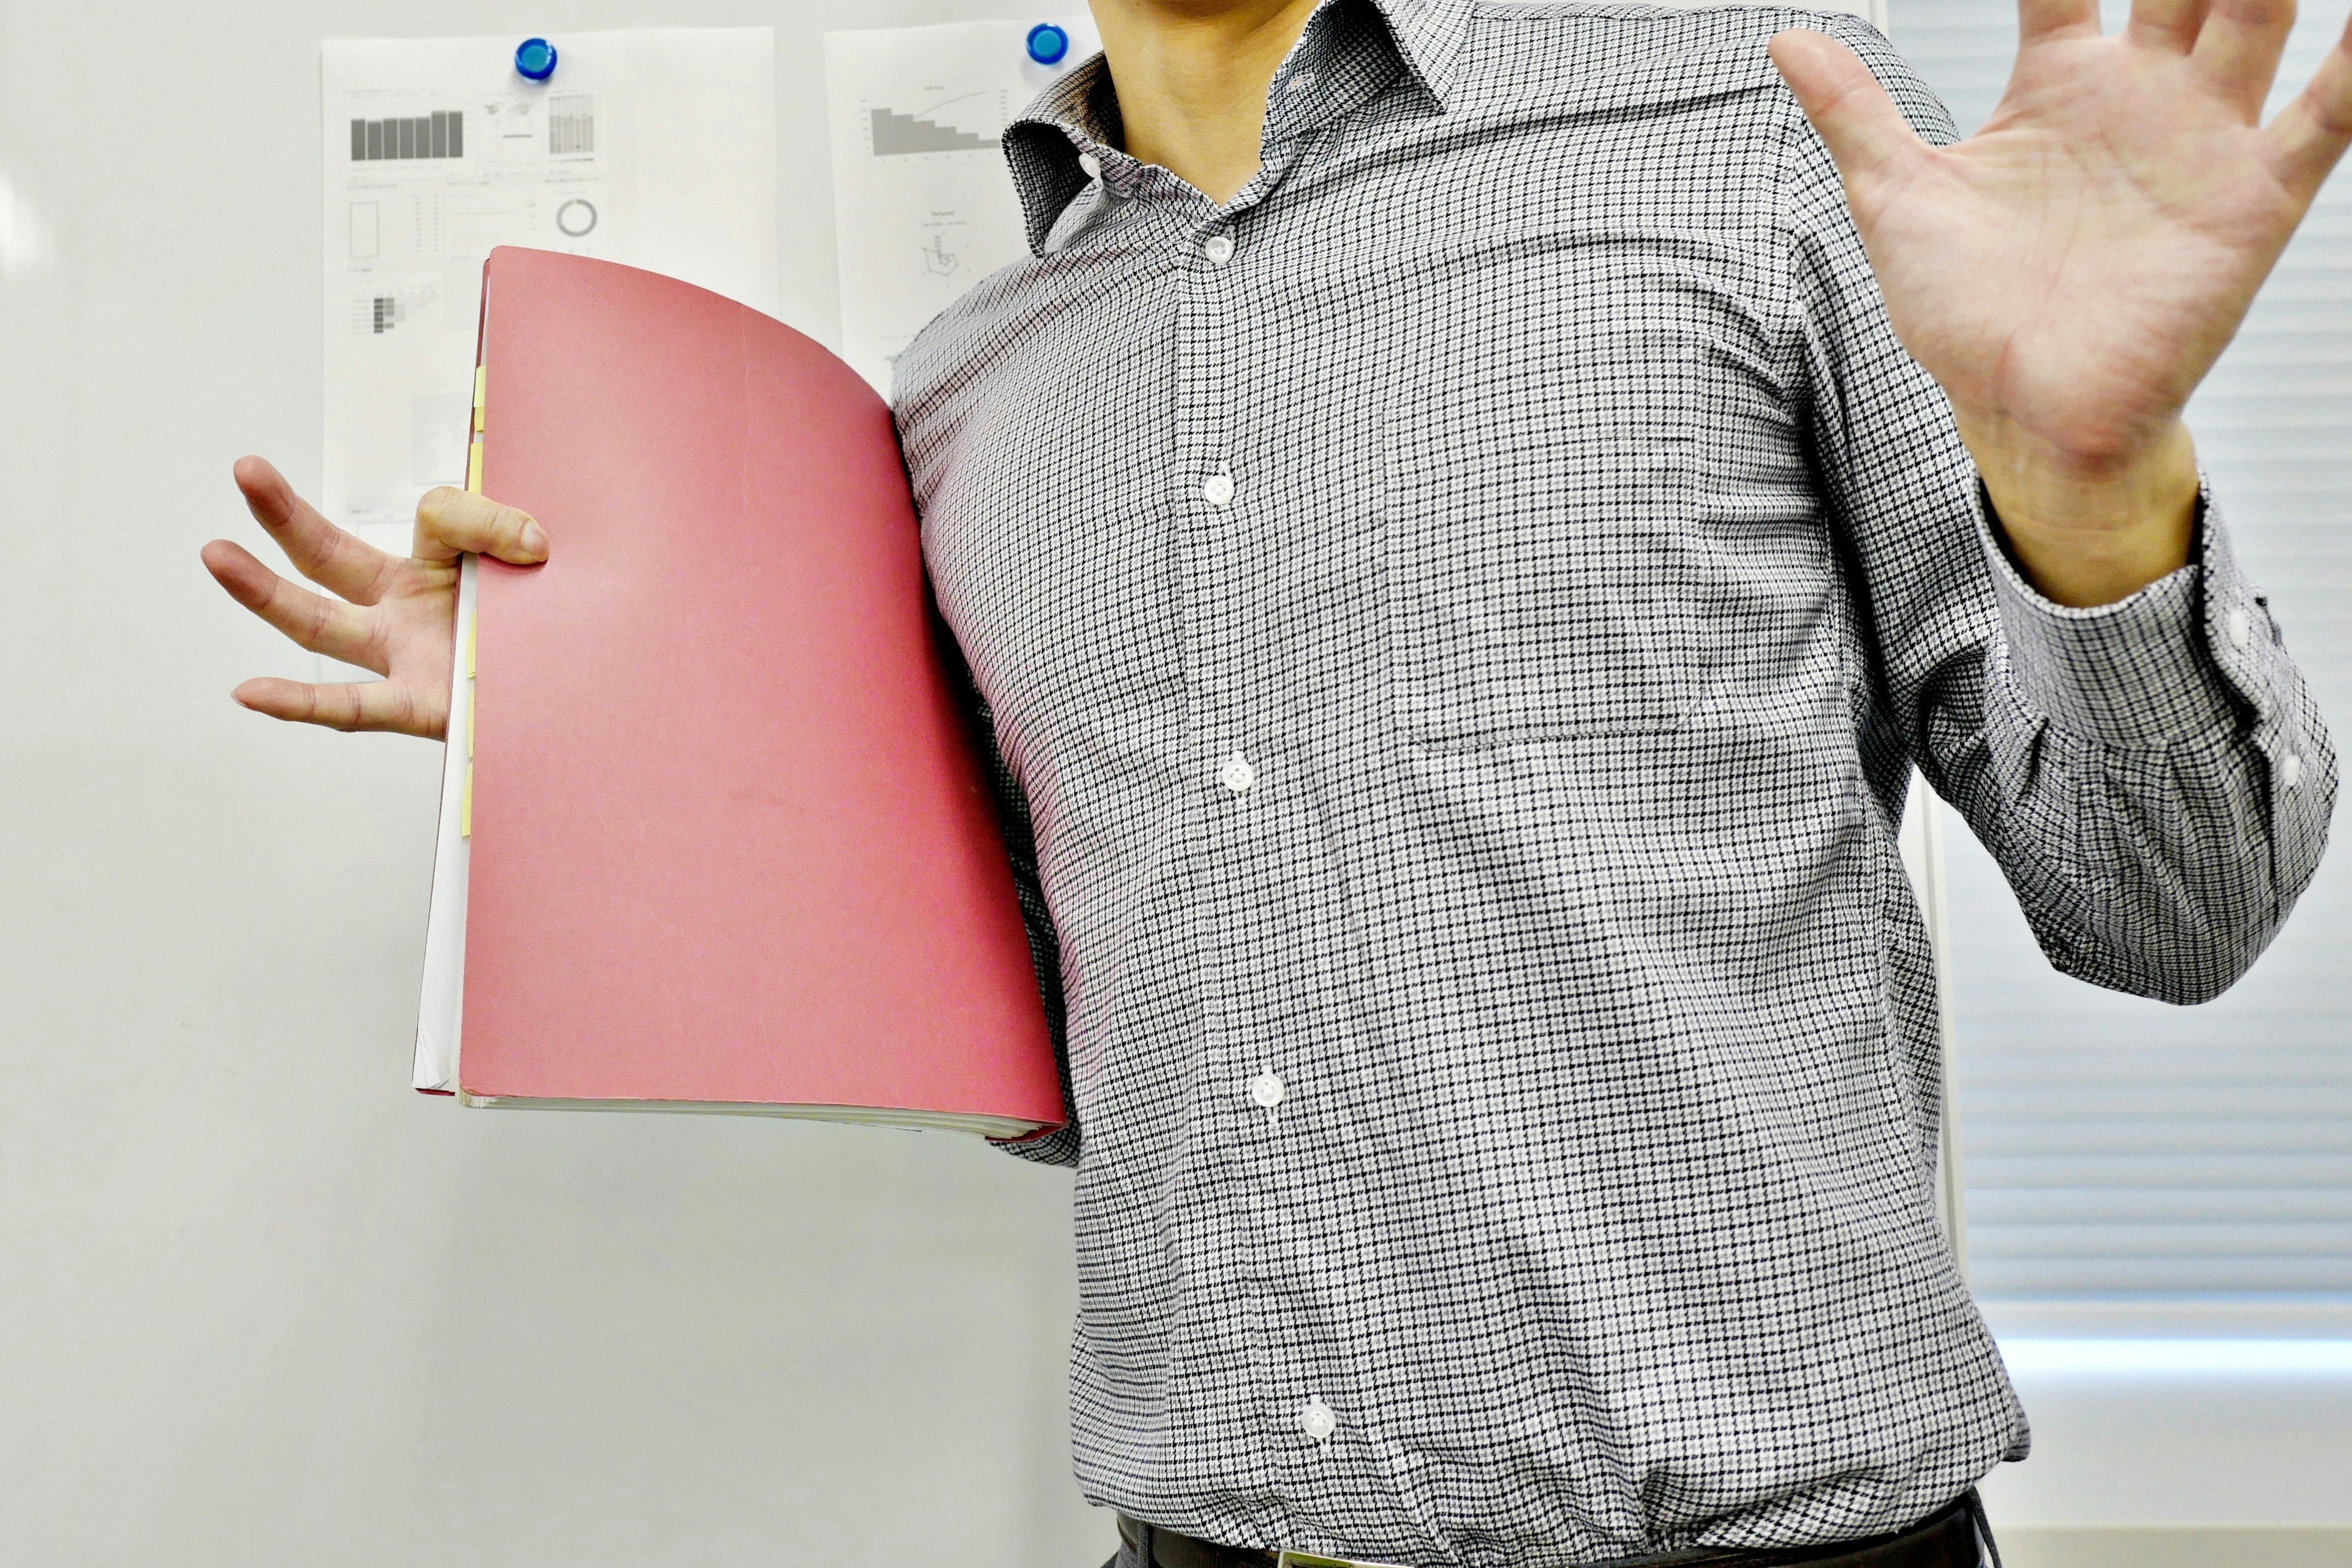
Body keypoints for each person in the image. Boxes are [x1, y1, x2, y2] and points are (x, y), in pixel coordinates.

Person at [206, 0, 2346, 1563]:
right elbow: (1082, 1050)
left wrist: (2097, 489)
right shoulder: (967, 395)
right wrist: (608, 729)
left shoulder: (1766, 125)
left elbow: (2173, 904)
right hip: (1204, 1550)